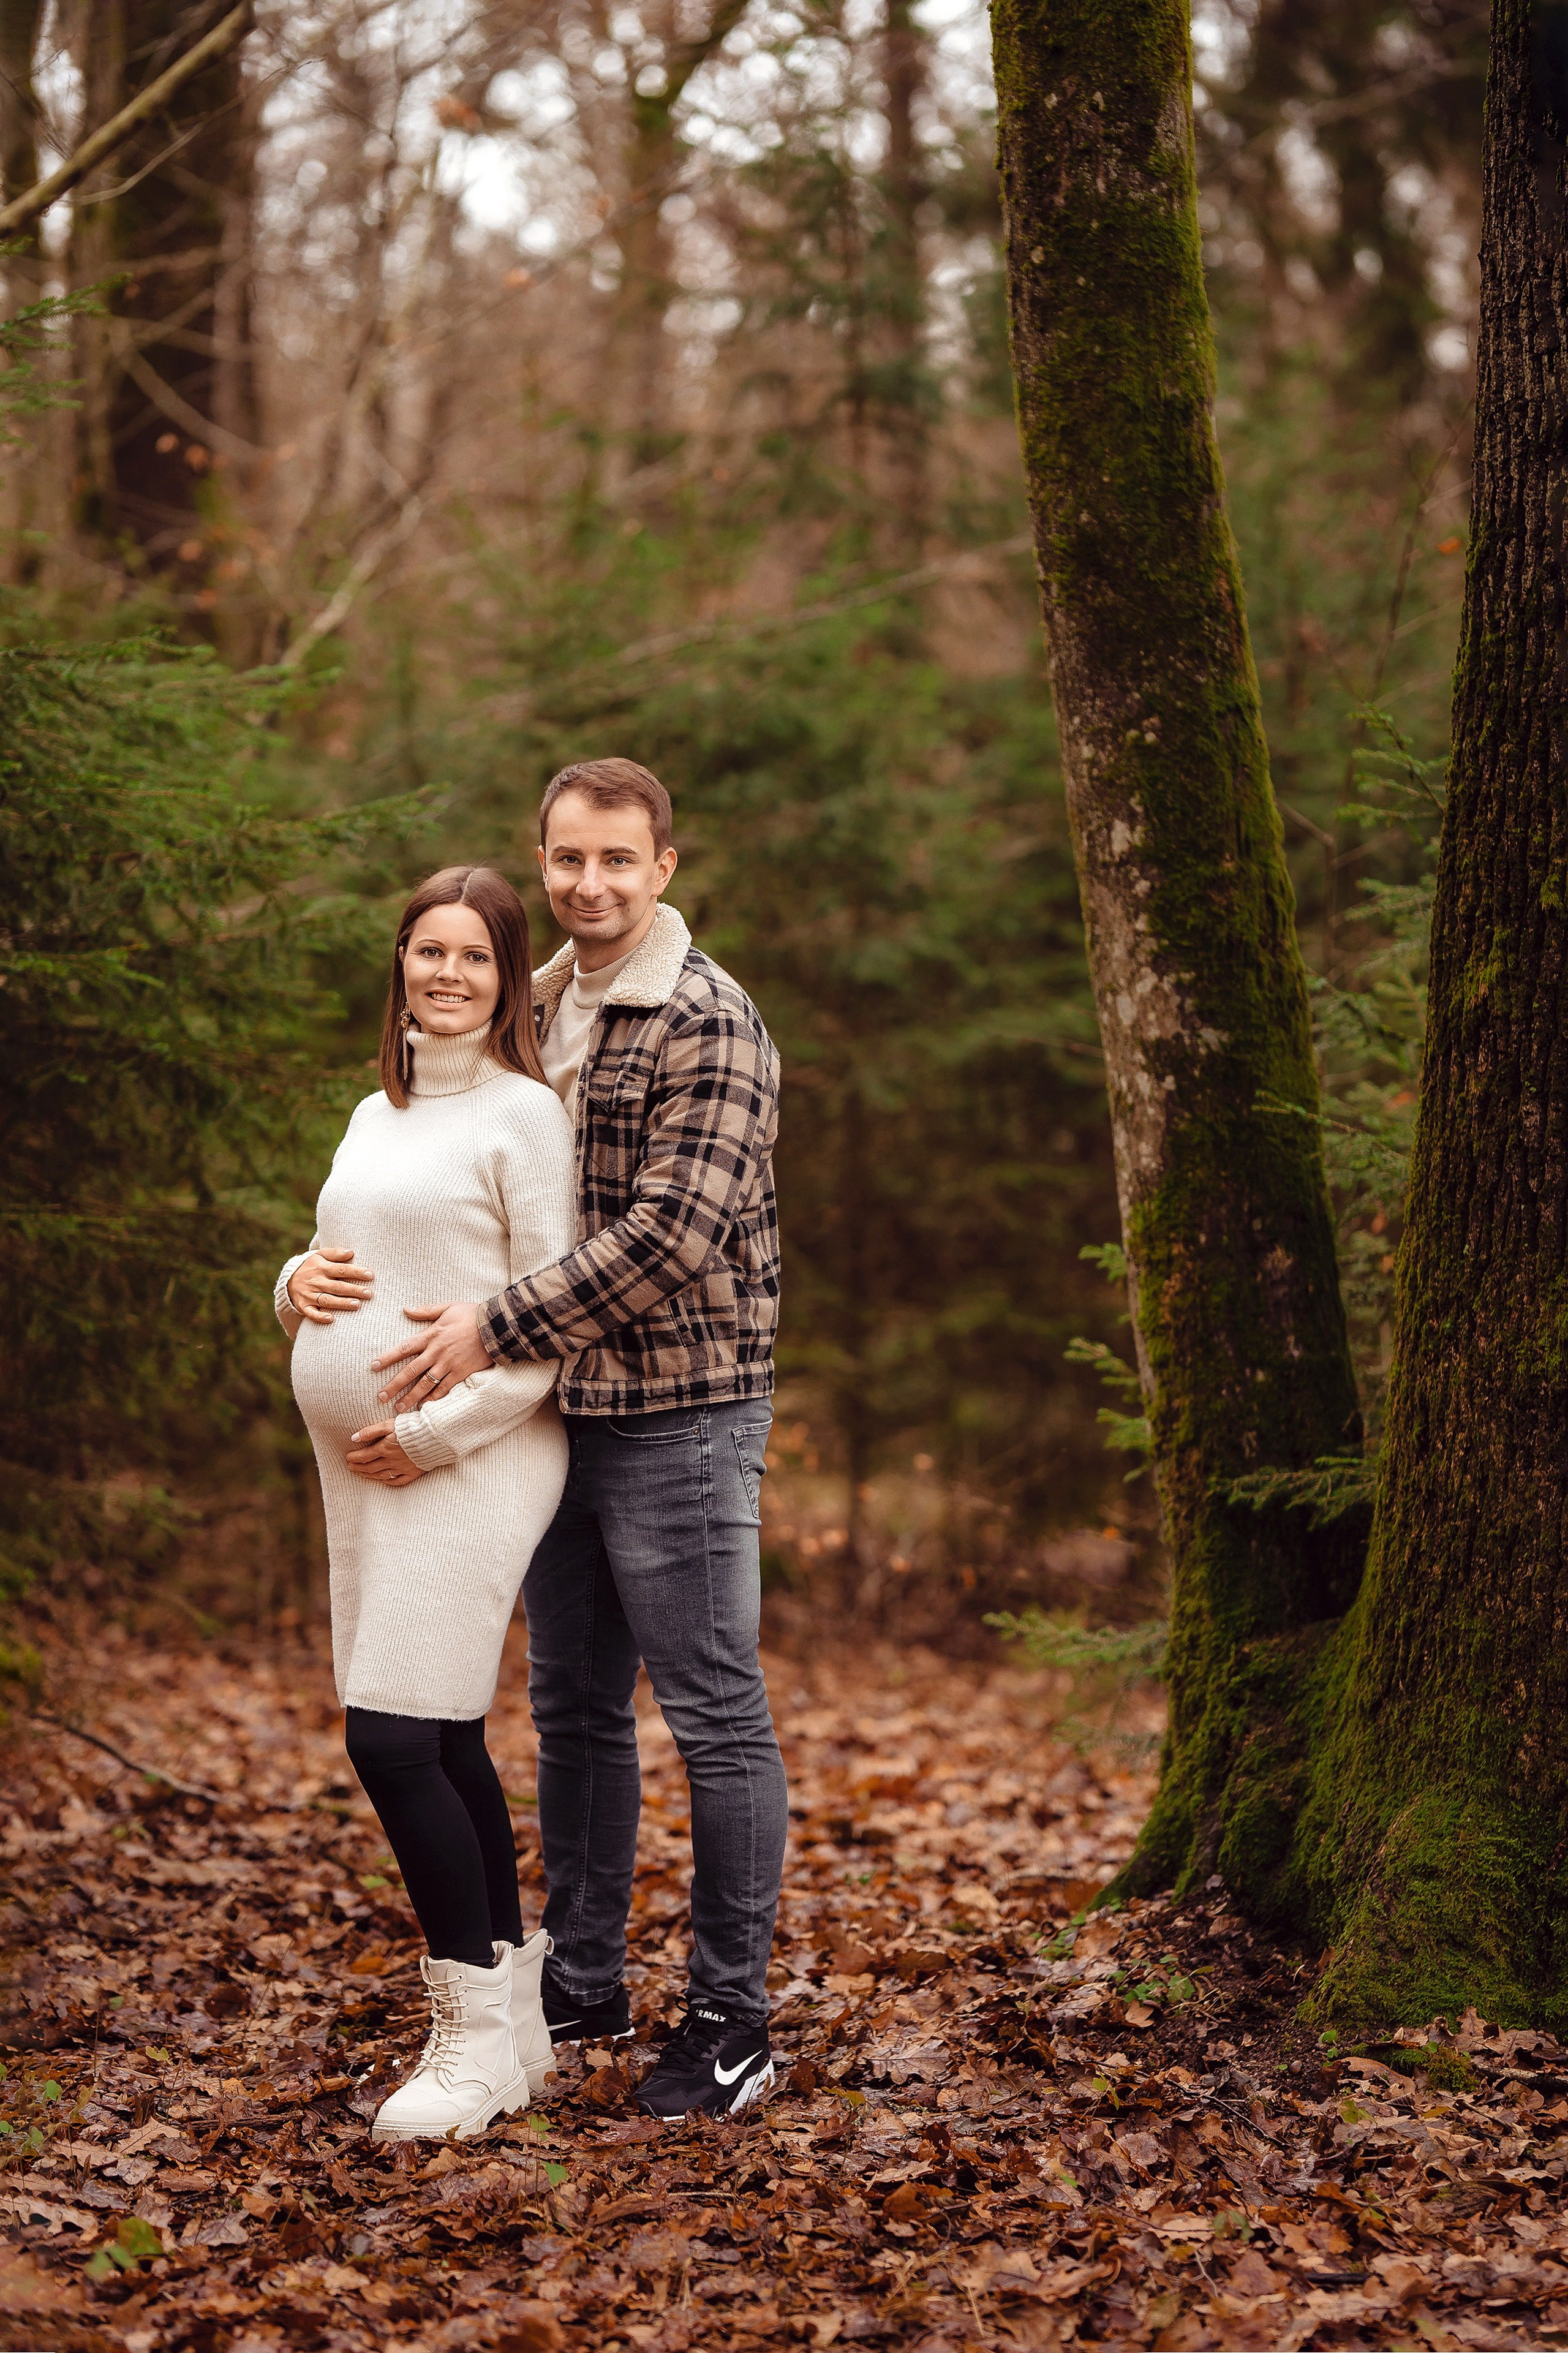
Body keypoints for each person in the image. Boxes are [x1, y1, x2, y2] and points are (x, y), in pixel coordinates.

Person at [372, 759, 788, 2120]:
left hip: (684, 1412)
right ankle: (585, 1980)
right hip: (555, 1421)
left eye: (616, 859)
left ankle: (730, 2021)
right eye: (565, 859)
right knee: (570, 1713)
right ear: (542, 861)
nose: (588, 883)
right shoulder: (533, 1005)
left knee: (713, 1717)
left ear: (665, 863)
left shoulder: (709, 1020)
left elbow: (672, 1236)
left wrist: (489, 1326)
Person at [274, 866, 576, 2142]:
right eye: (426, 950)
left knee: (388, 1740)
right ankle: (515, 2033)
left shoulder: (523, 1116)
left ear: (508, 980)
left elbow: (550, 1326)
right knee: (443, 1734)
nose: (446, 973)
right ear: (399, 961)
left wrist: (433, 1434)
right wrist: (292, 1281)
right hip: (365, 1469)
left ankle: (464, 2035)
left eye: (474, 957)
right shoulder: (372, 1110)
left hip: (472, 1459)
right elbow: (342, 1259)